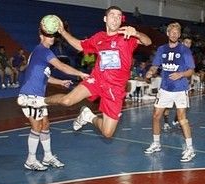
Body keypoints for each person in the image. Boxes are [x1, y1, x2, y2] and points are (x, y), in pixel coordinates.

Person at [19, 6, 151, 138]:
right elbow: (79, 45)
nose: (115, 19)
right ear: (105, 19)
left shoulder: (127, 36)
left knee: (107, 133)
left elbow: (147, 42)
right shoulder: (99, 37)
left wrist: (137, 33)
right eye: (112, 15)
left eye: (118, 16)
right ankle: (39, 101)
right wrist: (63, 32)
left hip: (115, 88)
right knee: (67, 101)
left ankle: (88, 116)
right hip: (97, 80)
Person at [17, 20, 90, 171]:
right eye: (47, 34)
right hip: (30, 96)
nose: (51, 37)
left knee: (45, 125)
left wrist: (60, 82)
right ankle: (30, 160)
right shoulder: (43, 51)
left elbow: (44, 76)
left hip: (38, 96)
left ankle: (47, 156)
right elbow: (62, 66)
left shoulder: (38, 53)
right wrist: (80, 73)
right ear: (41, 36)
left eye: (52, 35)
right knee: (37, 126)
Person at [143, 22, 196, 162]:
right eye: (172, 32)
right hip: (165, 88)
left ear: (179, 35)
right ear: (167, 33)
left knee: (182, 118)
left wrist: (181, 74)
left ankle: (190, 148)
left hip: (180, 89)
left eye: (177, 33)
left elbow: (191, 70)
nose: (174, 34)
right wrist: (150, 71)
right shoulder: (161, 49)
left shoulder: (185, 50)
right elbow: (155, 66)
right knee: (156, 115)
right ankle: (156, 143)